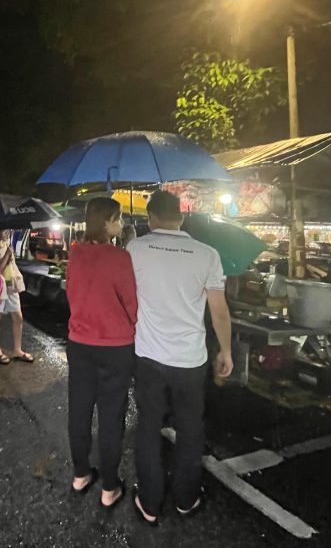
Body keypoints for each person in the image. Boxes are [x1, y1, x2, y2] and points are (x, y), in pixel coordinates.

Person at [126, 191, 234, 526]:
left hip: (148, 356)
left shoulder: (136, 248)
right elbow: (219, 312)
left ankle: (149, 502)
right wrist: (226, 350)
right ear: (182, 217)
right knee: (189, 428)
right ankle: (187, 499)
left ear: (150, 217)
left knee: (148, 426)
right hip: (190, 359)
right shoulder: (207, 254)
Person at [65, 198, 137, 509]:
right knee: (111, 416)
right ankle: (109, 485)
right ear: (107, 222)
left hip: (80, 343)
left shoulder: (75, 254)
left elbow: (71, 294)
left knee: (79, 410)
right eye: (118, 219)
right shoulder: (121, 257)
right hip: (116, 347)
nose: (120, 225)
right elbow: (132, 304)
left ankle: (81, 473)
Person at [0, 228, 33, 365]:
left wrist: (10, 255)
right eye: (2, 229)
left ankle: (17, 350)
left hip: (11, 287)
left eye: (7, 230)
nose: (5, 232)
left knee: (18, 317)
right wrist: (7, 255)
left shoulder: (7, 245)